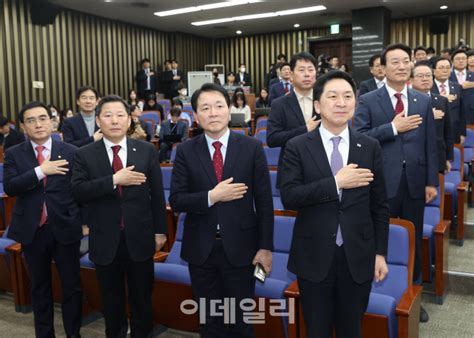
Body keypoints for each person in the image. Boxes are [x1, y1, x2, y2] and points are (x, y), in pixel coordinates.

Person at [280, 70, 389, 338]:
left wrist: (380, 253)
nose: (341, 103)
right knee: (316, 329)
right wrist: (336, 183)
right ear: (318, 105)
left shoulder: (370, 146)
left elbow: (380, 206)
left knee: (351, 329)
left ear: (355, 102)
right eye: (332, 96)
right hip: (314, 255)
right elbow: (290, 197)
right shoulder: (297, 146)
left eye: (347, 96)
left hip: (358, 256)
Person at [169, 83, 273, 338]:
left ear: (229, 110)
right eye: (205, 108)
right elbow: (178, 200)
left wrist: (265, 247)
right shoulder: (185, 150)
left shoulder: (251, 147)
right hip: (201, 250)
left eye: (218, 106)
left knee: (240, 322)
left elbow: (264, 201)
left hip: (242, 248)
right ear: (195, 115)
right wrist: (211, 197)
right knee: (210, 322)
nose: (213, 113)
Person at [71, 95, 168, 338]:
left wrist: (160, 230)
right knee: (111, 301)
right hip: (104, 238)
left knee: (142, 299)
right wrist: (114, 180)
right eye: (107, 115)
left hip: (140, 237)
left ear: (129, 120)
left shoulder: (146, 150)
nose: (114, 120)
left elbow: (157, 196)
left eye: (120, 115)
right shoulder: (84, 154)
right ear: (98, 121)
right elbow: (78, 191)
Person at [354, 43, 438, 323]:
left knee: (412, 240)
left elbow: (430, 145)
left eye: (406, 61)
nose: (402, 66)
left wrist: (431, 182)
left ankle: (413, 296)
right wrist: (392, 128)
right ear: (383, 67)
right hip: (380, 185)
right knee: (381, 240)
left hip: (415, 183)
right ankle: (377, 291)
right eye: (395, 62)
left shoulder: (422, 100)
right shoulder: (368, 99)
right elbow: (360, 138)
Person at [4, 101, 83, 338]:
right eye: (31, 120)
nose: (38, 124)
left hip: (65, 227)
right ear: (23, 126)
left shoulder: (70, 151)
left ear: (51, 121)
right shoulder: (13, 154)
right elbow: (11, 187)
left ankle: (73, 333)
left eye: (42, 118)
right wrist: (41, 171)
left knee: (71, 287)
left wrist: (84, 222)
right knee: (40, 288)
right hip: (33, 230)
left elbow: (79, 191)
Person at [267, 51, 319, 187]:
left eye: (310, 69)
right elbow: (272, 139)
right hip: (292, 171)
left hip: (322, 170)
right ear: (291, 74)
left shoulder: (325, 100)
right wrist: (305, 129)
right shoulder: (279, 104)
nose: (307, 74)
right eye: (301, 70)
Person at [411, 61, 453, 173]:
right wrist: (428, 116)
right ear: (411, 80)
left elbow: (447, 132)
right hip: (414, 156)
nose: (425, 79)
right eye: (420, 76)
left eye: (428, 75)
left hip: (437, 155)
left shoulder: (442, 101)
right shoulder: (406, 101)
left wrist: (448, 158)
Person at [431, 57, 465, 144]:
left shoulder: (457, 87)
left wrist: (462, 133)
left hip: (454, 132)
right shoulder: (428, 87)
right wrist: (442, 98)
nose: (445, 70)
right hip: (434, 131)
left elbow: (462, 112)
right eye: (441, 68)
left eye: (447, 67)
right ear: (433, 70)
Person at [450, 49, 474, 123]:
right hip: (453, 115)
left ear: (467, 60)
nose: (461, 61)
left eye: (463, 59)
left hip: (471, 114)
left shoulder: (473, 75)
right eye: (458, 59)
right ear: (452, 61)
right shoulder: (447, 76)